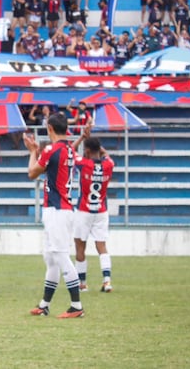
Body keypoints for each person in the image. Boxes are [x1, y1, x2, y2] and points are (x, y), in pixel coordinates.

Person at [23, 113, 85, 318]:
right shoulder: (68, 149)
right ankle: (44, 305)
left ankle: (76, 305)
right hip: (62, 208)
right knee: (50, 257)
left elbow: (32, 173)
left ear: (50, 128)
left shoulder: (52, 149)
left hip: (57, 209)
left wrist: (32, 152)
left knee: (59, 255)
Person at [72, 125, 115, 293]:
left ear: (87, 151)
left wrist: (83, 138)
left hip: (83, 211)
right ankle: (107, 281)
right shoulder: (109, 164)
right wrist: (96, 146)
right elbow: (105, 155)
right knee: (101, 245)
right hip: (101, 211)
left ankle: (82, 283)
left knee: (80, 245)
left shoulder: (84, 164)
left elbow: (71, 151)